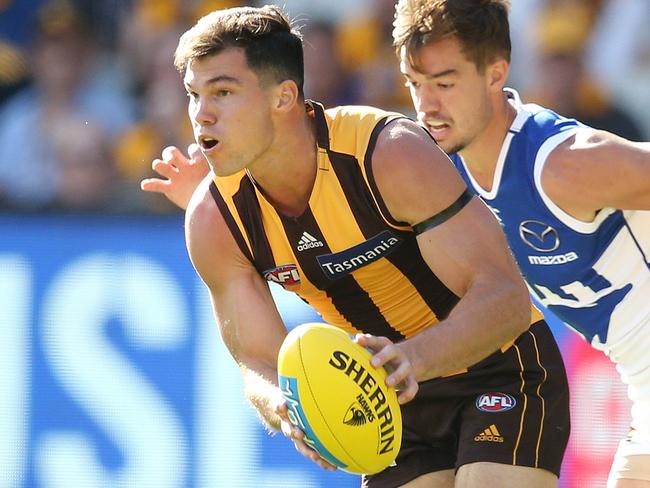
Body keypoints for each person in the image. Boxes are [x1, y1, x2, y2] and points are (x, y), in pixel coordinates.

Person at [141, 5, 571, 487]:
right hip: (383, 400)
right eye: (193, 95)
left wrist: (415, 358)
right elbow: (256, 362)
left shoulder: (387, 152)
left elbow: (507, 300)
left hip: (496, 364)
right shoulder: (212, 219)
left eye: (222, 92)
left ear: (284, 97)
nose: (202, 115)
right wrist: (289, 407)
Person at [390, 1, 650, 487]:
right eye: (413, 83)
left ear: (496, 73)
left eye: (444, 84)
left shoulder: (563, 164)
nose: (425, 105)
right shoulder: (447, 178)